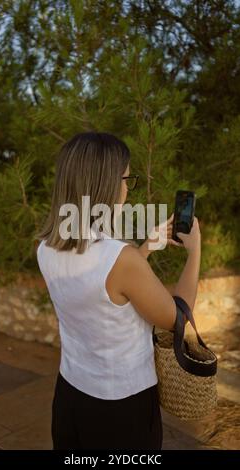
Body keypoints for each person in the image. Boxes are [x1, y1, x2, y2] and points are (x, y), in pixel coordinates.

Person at [36, 132, 201, 450]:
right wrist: (195, 252)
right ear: (107, 183)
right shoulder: (119, 259)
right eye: (127, 178)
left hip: (70, 394)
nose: (128, 187)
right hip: (121, 408)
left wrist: (145, 250)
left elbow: (102, 293)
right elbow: (177, 318)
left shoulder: (45, 247)